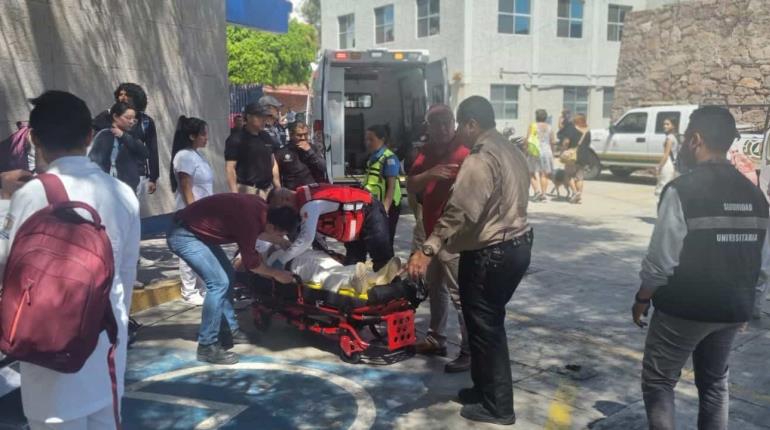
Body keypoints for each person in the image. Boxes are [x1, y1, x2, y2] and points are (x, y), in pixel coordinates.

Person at [1, 90, 140, 429]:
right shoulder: (122, 193)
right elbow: (125, 273)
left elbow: (8, 268)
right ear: (90, 136)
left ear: (34, 138)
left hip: (46, 350)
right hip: (105, 345)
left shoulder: (30, 194)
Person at [633, 106, 770, 430]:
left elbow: (660, 260)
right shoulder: (756, 195)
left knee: (659, 381)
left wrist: (642, 299)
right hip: (731, 308)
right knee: (714, 383)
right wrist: (750, 305)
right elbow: (762, 264)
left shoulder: (682, 190)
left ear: (695, 140)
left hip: (685, 307)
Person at [407, 96, 532, 425]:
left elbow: (460, 212)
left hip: (492, 251)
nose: (457, 130)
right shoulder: (511, 149)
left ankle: (499, 405)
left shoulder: (479, 159)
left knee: (487, 329)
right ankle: (483, 390)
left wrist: (428, 248)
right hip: (516, 245)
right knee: (484, 326)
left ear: (471, 124)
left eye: (460, 124)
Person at [167, 194, 299, 365]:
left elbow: (263, 231)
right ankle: (207, 345)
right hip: (184, 234)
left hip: (198, 232)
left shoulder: (262, 209)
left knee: (228, 274)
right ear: (273, 227)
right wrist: (276, 274)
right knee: (218, 283)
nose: (282, 237)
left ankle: (229, 330)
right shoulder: (249, 222)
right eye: (282, 234)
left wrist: (279, 240)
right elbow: (252, 264)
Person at [408, 104, 471, 373]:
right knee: (434, 287)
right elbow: (411, 184)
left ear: (455, 123)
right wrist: (431, 174)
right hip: (431, 233)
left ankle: (469, 351)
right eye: (437, 124)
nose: (444, 128)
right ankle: (436, 338)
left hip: (456, 236)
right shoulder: (428, 151)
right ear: (429, 127)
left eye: (448, 123)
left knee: (461, 294)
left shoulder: (466, 149)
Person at [266, 184, 394, 271]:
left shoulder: (309, 204)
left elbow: (306, 239)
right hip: (355, 220)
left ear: (286, 199)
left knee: (383, 262)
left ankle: (394, 298)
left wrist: (282, 260)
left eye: (280, 208)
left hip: (369, 211)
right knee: (352, 267)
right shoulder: (304, 193)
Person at [170, 116, 213, 306]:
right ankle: (189, 291)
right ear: (192, 135)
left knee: (203, 251)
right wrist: (193, 211)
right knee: (190, 252)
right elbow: (186, 186)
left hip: (204, 212)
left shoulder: (197, 155)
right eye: (203, 134)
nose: (206, 138)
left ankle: (204, 287)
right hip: (191, 212)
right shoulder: (184, 156)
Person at [93, 83, 160, 195]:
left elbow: (152, 150)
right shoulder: (107, 115)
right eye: (120, 94)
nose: (122, 98)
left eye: (127, 95)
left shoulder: (146, 122)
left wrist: (153, 177)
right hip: (110, 173)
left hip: (136, 175)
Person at [88, 102, 150, 193]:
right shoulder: (106, 135)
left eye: (134, 119)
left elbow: (144, 153)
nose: (131, 122)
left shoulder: (129, 136)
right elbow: (96, 163)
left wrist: (123, 136)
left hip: (127, 191)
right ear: (115, 117)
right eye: (128, 118)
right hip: (111, 191)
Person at [224, 102, 281, 198]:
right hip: (248, 189)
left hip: (268, 189)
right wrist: (234, 193)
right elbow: (230, 167)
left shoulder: (266, 136)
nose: (263, 120)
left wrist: (278, 186)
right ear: (249, 117)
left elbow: (272, 162)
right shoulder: (236, 139)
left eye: (265, 117)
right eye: (259, 116)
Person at [363, 124, 402, 244]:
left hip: (388, 206)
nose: (368, 143)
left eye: (371, 139)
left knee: (385, 241)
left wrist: (385, 209)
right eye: (366, 139)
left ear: (382, 140)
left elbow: (391, 187)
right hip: (375, 204)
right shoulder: (373, 157)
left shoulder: (389, 158)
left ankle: (388, 262)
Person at [275, 122, 326, 190]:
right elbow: (276, 175)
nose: (303, 138)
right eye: (299, 135)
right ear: (291, 135)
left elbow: (324, 167)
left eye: (305, 134)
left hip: (312, 190)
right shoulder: (282, 152)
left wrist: (309, 152)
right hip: (292, 192)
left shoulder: (313, 148)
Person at [563, 113, 591, 204]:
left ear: (576, 120)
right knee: (579, 177)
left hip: (572, 155)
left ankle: (575, 192)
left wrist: (564, 149)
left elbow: (566, 142)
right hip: (584, 155)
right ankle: (579, 196)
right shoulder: (587, 131)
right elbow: (588, 143)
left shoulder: (571, 129)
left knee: (568, 175)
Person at [530, 109, 556, 202]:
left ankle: (536, 191)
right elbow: (552, 141)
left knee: (531, 172)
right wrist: (552, 152)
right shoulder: (549, 127)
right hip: (546, 151)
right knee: (544, 174)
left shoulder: (533, 126)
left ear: (536, 117)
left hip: (535, 151)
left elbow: (528, 139)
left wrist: (525, 150)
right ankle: (544, 194)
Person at [654, 117, 680, 197]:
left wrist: (659, 167)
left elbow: (666, 155)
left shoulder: (669, 138)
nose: (665, 126)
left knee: (663, 186)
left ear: (673, 126)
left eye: (667, 124)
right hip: (673, 163)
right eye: (664, 124)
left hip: (668, 164)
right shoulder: (675, 137)